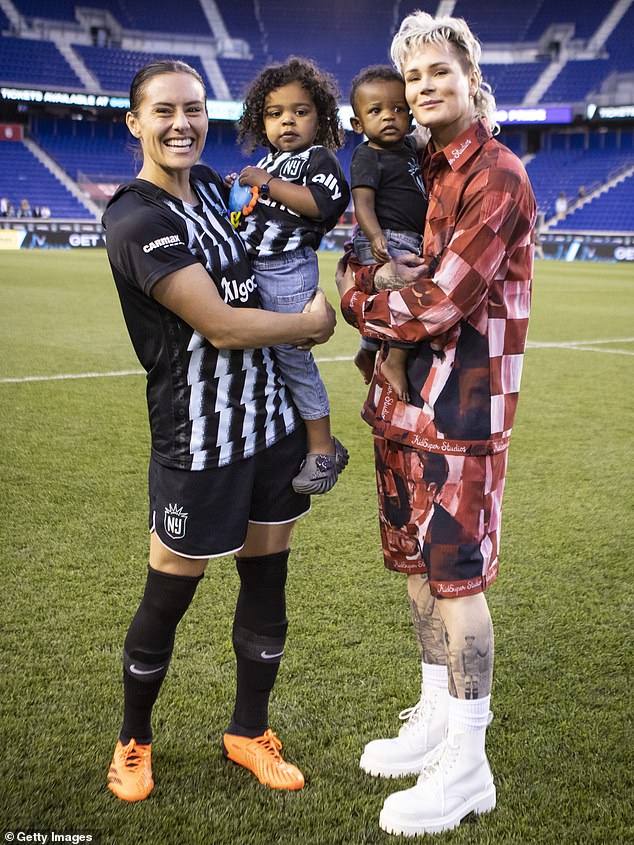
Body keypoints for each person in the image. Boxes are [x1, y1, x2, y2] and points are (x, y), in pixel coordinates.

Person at [102, 60, 338, 802]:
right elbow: (223, 323)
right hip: (197, 439)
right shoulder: (136, 217)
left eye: (195, 109)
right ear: (134, 123)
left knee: (268, 582)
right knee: (169, 594)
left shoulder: (215, 186)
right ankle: (133, 740)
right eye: (165, 111)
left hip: (270, 426)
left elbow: (288, 234)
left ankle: (248, 728)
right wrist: (306, 322)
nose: (182, 124)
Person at [336, 10, 535, 837]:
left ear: (470, 78)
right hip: (400, 405)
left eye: (438, 73)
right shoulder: (413, 164)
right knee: (417, 570)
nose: (422, 88)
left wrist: (356, 299)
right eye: (412, 77)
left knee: (458, 583)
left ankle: (470, 761)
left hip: (461, 409)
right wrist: (365, 286)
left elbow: (439, 300)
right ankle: (433, 717)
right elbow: (356, 248)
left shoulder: (497, 175)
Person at [230, 56, 350, 495]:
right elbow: (246, 215)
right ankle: (284, 436)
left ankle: (323, 449)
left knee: (293, 358)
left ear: (320, 118)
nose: (287, 122)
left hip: (286, 269)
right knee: (262, 357)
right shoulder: (270, 162)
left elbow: (322, 205)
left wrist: (264, 184)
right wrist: (241, 195)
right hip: (253, 268)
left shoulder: (318, 159)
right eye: (275, 113)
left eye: (300, 112)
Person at [348, 65, 428, 401]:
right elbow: (363, 203)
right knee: (407, 297)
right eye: (376, 111)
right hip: (385, 237)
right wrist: (377, 235)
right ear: (357, 124)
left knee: (392, 300)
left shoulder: (409, 147)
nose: (389, 117)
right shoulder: (368, 155)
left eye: (398, 109)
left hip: (409, 236)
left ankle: (367, 349)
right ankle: (394, 360)